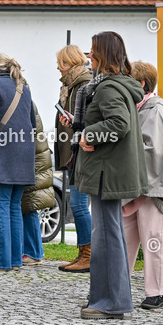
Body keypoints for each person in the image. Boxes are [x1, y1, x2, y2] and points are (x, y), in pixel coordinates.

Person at [74, 31, 147, 319]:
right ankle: (109, 298)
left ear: (103, 55)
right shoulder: (118, 85)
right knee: (109, 235)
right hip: (109, 171)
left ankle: (111, 303)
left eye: (93, 51)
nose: (89, 56)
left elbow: (119, 123)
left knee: (106, 237)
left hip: (106, 172)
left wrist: (88, 134)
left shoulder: (107, 88)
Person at [123, 61, 163, 309]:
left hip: (154, 190)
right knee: (125, 241)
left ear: (141, 84)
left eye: (129, 81)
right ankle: (118, 288)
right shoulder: (140, 109)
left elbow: (157, 154)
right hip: (135, 188)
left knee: (154, 241)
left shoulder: (156, 112)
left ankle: (156, 294)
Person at [0, 53, 37, 271]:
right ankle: (14, 260)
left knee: (2, 205)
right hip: (25, 152)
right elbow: (32, 122)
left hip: (6, 150)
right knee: (14, 207)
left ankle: (0, 261)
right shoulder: (24, 88)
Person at [54, 45, 94, 272]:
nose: (58, 68)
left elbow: (87, 121)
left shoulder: (83, 85)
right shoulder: (71, 85)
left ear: (70, 63)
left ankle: (88, 255)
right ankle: (83, 254)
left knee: (79, 205)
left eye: (61, 63)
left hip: (81, 152)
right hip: (74, 151)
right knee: (78, 205)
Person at [21, 103, 55, 264]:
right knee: (28, 206)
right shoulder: (26, 100)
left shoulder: (23, 101)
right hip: (36, 159)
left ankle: (33, 252)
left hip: (34, 162)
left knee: (29, 206)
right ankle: (33, 251)